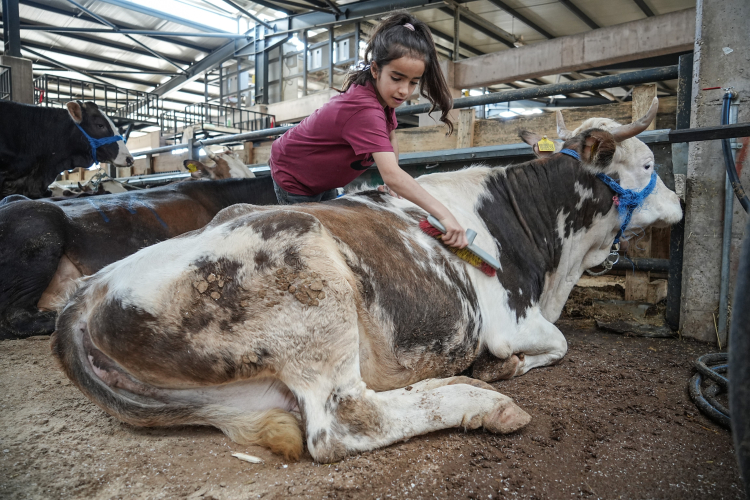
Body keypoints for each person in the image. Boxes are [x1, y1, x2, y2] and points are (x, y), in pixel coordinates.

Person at [269, 12, 468, 248]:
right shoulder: (365, 109)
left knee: (331, 231)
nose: (404, 90)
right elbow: (393, 175)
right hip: (295, 176)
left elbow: (390, 134)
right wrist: (444, 214)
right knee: (309, 245)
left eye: (413, 82)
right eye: (397, 78)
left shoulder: (383, 97)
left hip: (321, 178)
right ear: (375, 69)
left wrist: (390, 176)